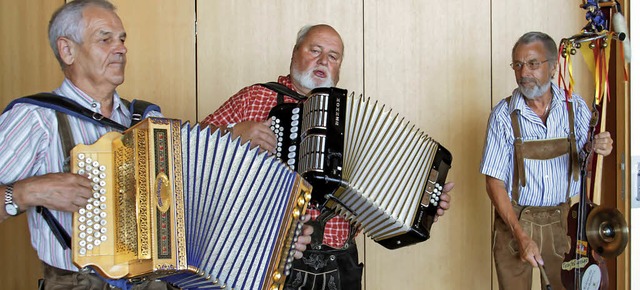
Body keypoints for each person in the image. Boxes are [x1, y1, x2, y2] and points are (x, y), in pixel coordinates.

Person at [0, 1, 312, 289]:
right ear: (67, 50)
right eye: (104, 38)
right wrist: (28, 192)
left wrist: (277, 241)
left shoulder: (148, 121)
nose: (120, 48)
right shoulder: (37, 119)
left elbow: (208, 206)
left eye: (122, 39)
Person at [201, 24, 454, 290]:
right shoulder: (255, 97)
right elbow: (188, 149)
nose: (323, 61)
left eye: (333, 56)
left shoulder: (354, 121)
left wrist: (422, 204)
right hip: (267, 256)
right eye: (315, 50)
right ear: (294, 53)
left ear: (339, 67)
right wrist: (232, 132)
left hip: (340, 264)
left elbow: (381, 189)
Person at [480, 31, 614, 290]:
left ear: (553, 67)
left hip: (562, 223)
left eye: (532, 64)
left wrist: (600, 146)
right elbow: (493, 182)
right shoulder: (502, 116)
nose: (523, 73)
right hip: (514, 223)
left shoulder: (575, 108)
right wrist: (521, 236)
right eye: (517, 65)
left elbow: (587, 155)